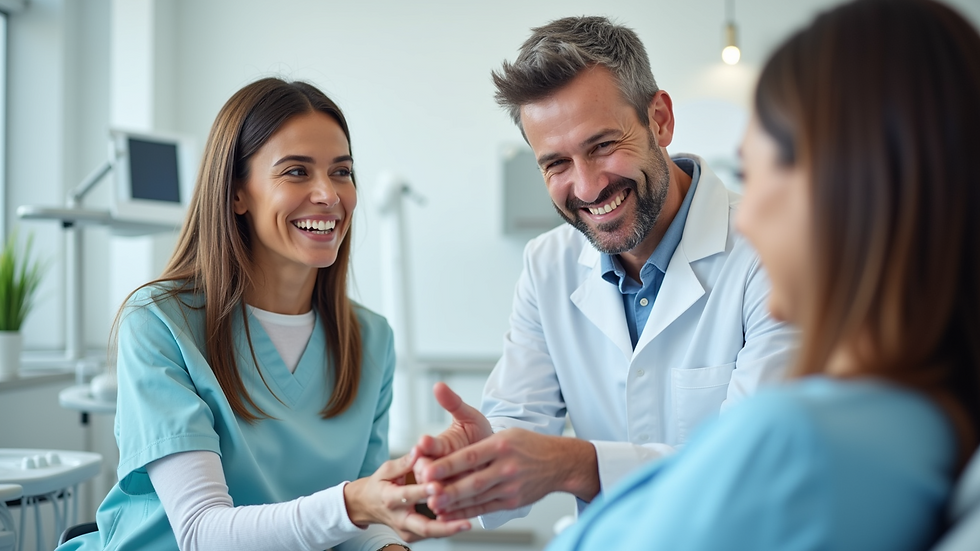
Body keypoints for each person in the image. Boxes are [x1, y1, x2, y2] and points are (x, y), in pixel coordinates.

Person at [544, 0, 980, 549]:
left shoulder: (801, 442)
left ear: (846, 191)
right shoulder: (930, 422)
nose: (744, 216)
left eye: (753, 172)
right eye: (556, 163)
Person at [413, 16, 797, 526]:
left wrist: (578, 464)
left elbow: (754, 466)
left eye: (602, 146)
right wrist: (478, 454)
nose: (588, 186)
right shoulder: (547, 266)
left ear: (659, 119)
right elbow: (522, 421)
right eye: (557, 165)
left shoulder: (772, 254)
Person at [57, 78, 469, 551]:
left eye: (341, 172)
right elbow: (201, 533)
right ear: (237, 194)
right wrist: (354, 505)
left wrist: (387, 536)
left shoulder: (370, 339)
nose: (328, 195)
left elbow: (365, 523)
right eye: (296, 172)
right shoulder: (160, 323)